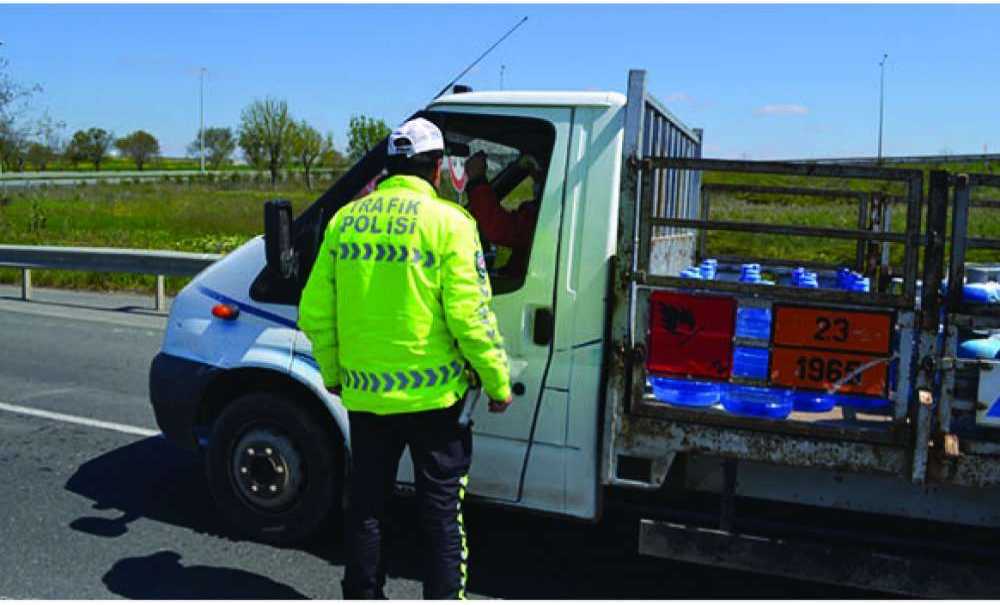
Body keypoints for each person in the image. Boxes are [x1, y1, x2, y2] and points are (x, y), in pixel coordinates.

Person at [298, 117, 513, 600]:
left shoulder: (344, 220)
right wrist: (497, 382)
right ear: (436, 169)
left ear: (389, 168)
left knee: (367, 508)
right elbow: (471, 316)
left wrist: (333, 373)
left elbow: (315, 312)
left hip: (367, 400)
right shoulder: (451, 224)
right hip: (435, 404)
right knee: (439, 517)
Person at [463, 151, 542, 276]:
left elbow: (498, 228)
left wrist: (477, 180)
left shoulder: (548, 217)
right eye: (532, 173)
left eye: (537, 173)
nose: (533, 178)